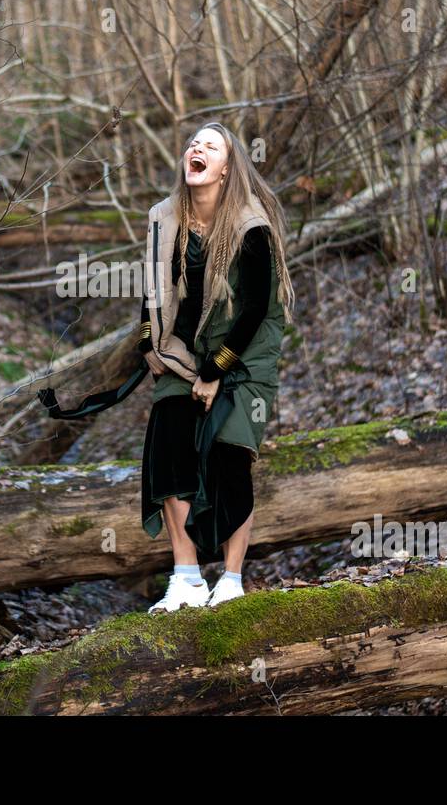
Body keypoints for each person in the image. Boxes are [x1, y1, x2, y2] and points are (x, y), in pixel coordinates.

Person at [137, 122, 294, 613]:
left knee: (230, 451)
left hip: (247, 352)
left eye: (210, 146)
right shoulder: (166, 221)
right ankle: (186, 578)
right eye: (192, 144)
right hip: (186, 349)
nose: (195, 150)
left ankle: (230, 578)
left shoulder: (251, 227)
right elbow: (152, 298)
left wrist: (215, 374)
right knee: (167, 443)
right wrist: (148, 344)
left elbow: (253, 311)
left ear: (226, 169)